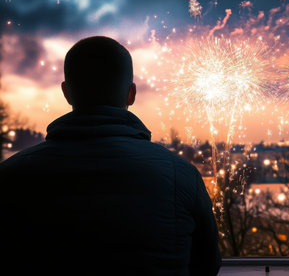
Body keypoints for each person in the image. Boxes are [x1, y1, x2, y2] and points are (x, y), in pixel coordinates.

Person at [0, 36, 221, 275]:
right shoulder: (182, 175)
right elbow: (206, 266)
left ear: (66, 93)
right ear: (131, 94)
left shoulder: (10, 175)